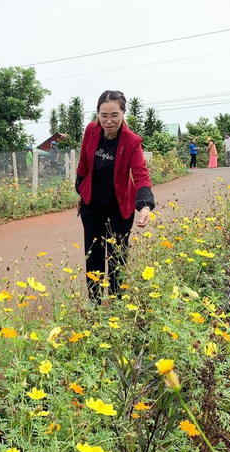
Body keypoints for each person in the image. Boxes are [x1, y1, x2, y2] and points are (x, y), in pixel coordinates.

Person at [75, 90, 155, 305]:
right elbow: (83, 163)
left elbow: (140, 173)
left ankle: (118, 303)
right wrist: (80, 190)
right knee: (93, 255)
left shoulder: (131, 141)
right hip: (92, 206)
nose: (108, 121)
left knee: (117, 255)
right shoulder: (91, 131)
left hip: (119, 208)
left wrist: (145, 205)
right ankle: (93, 302)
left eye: (114, 115)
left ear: (123, 113)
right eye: (104, 115)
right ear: (97, 114)